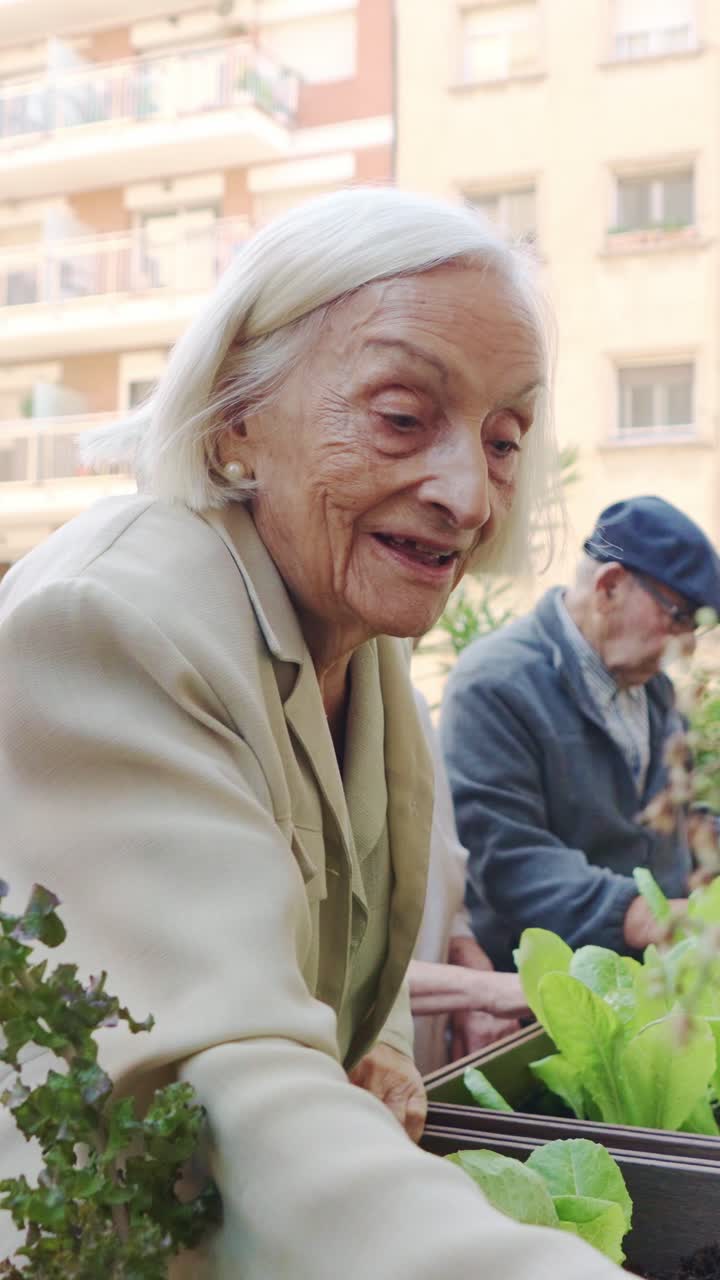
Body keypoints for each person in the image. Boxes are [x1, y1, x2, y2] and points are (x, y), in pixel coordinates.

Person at [0, 187, 628, 1280]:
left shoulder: (363, 642)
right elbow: (221, 1091)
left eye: (504, 439)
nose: (466, 492)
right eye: (400, 416)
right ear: (240, 411)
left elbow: (327, 947)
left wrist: (377, 1051)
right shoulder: (109, 622)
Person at [442, 495, 720, 973]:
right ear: (610, 586)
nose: (688, 645)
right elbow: (511, 859)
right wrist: (650, 918)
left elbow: (677, 812)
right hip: (545, 995)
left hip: (651, 981)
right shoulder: (495, 684)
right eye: (678, 618)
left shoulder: (654, 688)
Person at [409, 687, 528, 1075]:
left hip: (423, 1062)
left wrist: (472, 980)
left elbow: (444, 891)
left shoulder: (410, 701)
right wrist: (487, 991)